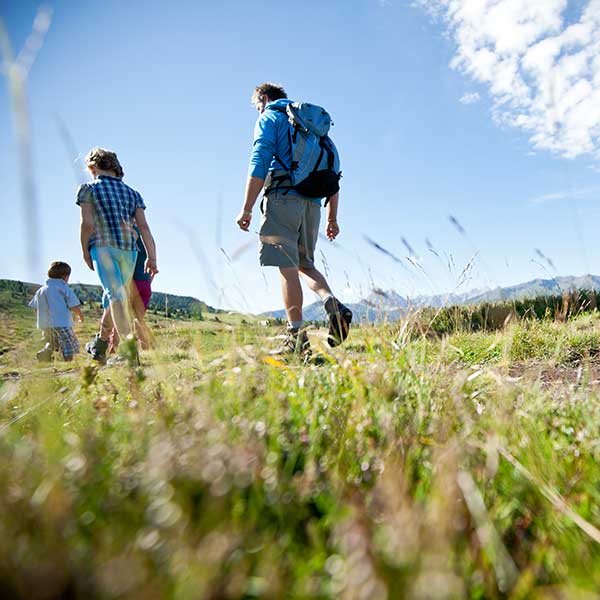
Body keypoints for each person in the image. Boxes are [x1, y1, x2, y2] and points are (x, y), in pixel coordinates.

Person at [236, 82, 352, 357]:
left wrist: (247, 208)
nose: (258, 111)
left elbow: (260, 160)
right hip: (313, 205)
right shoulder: (312, 128)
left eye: (256, 106)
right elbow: (333, 175)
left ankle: (297, 340)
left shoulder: (270, 117)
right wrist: (332, 218)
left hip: (283, 198)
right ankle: (332, 303)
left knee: (287, 269)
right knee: (305, 265)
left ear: (263, 98)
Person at [77, 147, 158, 363]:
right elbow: (144, 227)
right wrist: (152, 256)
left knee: (115, 296)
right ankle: (100, 344)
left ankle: (129, 352)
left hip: (103, 248)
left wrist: (85, 251)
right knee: (114, 296)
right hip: (129, 251)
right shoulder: (133, 193)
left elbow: (87, 224)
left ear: (92, 168)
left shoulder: (88, 189)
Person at [106, 230, 154, 353]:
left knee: (121, 316)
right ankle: (145, 347)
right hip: (145, 282)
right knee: (138, 319)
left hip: (130, 282)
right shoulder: (146, 240)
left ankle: (114, 347)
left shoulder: (124, 237)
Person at [29, 261, 83, 362]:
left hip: (44, 324)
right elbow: (73, 305)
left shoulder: (41, 290)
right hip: (61, 322)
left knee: (52, 341)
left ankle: (45, 352)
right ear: (64, 276)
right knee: (68, 342)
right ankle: (68, 361)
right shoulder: (63, 288)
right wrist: (80, 315)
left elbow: (35, 307)